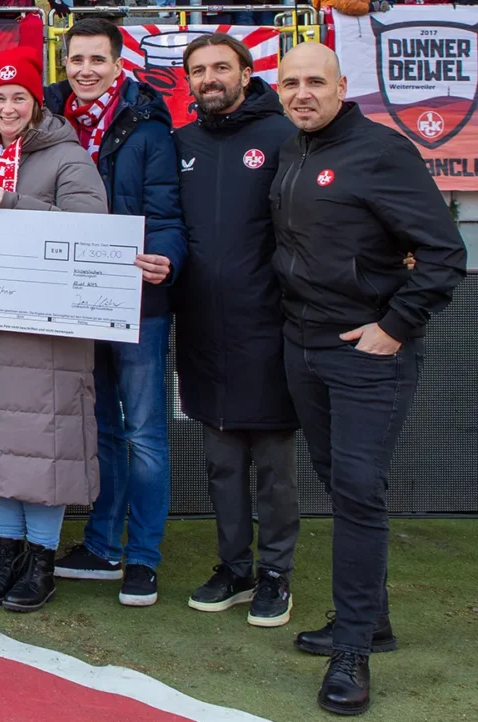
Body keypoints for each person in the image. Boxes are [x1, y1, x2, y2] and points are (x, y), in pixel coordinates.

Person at [273, 43, 466, 715]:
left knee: (357, 493)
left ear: (341, 86)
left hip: (368, 355)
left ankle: (353, 648)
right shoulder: (294, 150)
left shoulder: (380, 151)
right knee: (340, 482)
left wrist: (398, 323)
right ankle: (371, 620)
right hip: (304, 347)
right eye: (291, 82)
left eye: (314, 82)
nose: (302, 92)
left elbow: (444, 252)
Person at [0, 46, 108, 615]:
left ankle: (41, 558)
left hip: (46, 335)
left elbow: (92, 235)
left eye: (20, 97)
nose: (9, 106)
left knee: (42, 448)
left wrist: (15, 203)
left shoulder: (69, 159)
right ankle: (8, 553)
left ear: (37, 104)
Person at [46, 19, 187, 608]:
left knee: (145, 433)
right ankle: (102, 545)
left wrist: (167, 261)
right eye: (76, 60)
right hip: (73, 300)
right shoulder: (46, 123)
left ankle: (144, 558)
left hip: (137, 300)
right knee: (100, 426)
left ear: (118, 62)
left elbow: (169, 215)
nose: (85, 71)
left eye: (96, 61)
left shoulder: (150, 127)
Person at [171, 34, 301, 628]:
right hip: (201, 326)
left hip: (270, 327)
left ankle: (276, 573)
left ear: (247, 72)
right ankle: (235, 567)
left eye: (221, 67)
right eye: (198, 70)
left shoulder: (284, 138)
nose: (209, 78)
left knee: (272, 460)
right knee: (221, 460)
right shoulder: (183, 144)